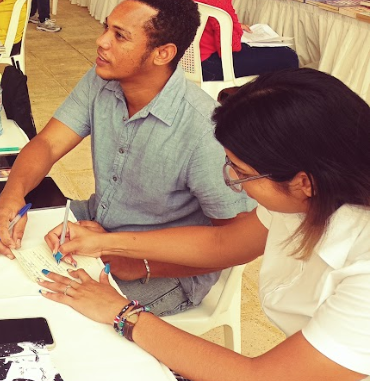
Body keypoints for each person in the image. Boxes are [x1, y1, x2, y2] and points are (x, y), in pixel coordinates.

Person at [39, 68, 369, 381]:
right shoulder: (306, 196)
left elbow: (261, 376)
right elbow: (223, 244)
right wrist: (107, 243)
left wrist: (124, 314)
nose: (232, 182)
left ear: (304, 183)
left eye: (241, 172)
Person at [0, 0, 252, 315]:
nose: (101, 41)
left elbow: (237, 242)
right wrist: (12, 195)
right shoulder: (102, 80)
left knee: (46, 310)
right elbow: (48, 143)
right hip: (98, 226)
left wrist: (137, 263)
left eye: (120, 36)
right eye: (106, 27)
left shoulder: (204, 133)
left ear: (163, 53)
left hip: (161, 269)